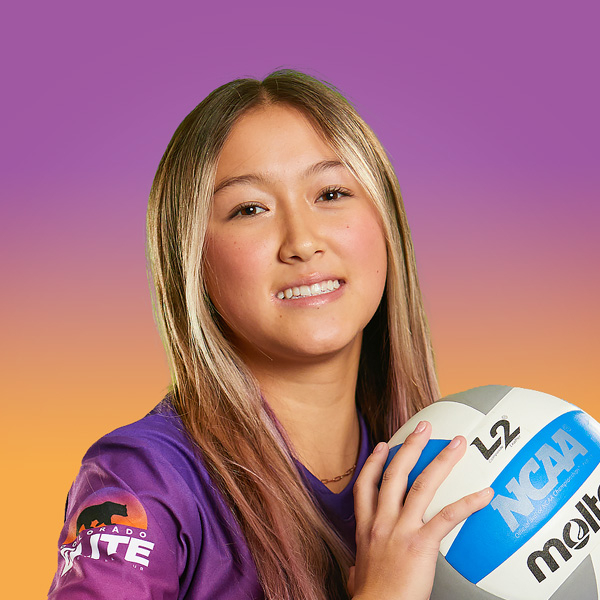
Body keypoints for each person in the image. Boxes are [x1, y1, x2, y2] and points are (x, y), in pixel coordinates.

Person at [48, 69, 493, 600]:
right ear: (192, 260)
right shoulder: (146, 479)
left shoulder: (452, 469)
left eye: (331, 193)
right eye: (249, 209)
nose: (302, 242)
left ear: (386, 221)